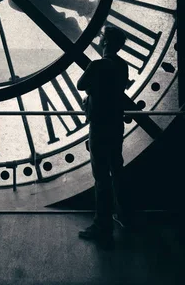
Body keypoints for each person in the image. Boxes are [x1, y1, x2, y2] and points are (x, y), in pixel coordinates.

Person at [77, 25, 129, 248]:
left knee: (101, 176)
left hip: (99, 126)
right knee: (115, 168)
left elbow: (81, 85)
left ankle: (102, 225)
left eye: (100, 38)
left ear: (105, 42)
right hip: (116, 124)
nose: (98, 40)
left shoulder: (97, 65)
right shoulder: (122, 65)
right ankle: (123, 213)